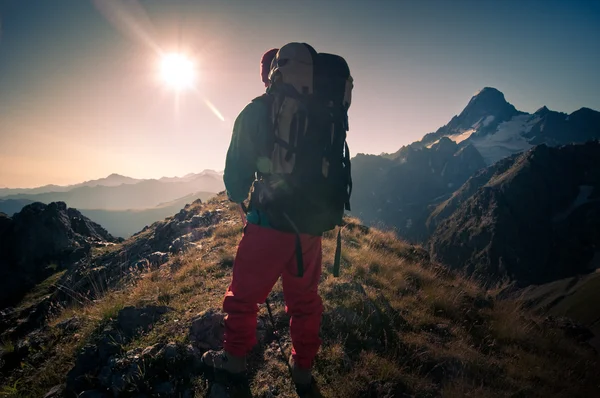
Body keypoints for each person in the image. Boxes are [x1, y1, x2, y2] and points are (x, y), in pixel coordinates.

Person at [201, 47, 323, 391]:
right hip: (310, 227)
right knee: (305, 301)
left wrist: (240, 197)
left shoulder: (256, 111)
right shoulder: (318, 110)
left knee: (242, 297)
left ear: (271, 73)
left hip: (269, 223)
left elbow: (235, 177)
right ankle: (303, 369)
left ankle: (235, 361)